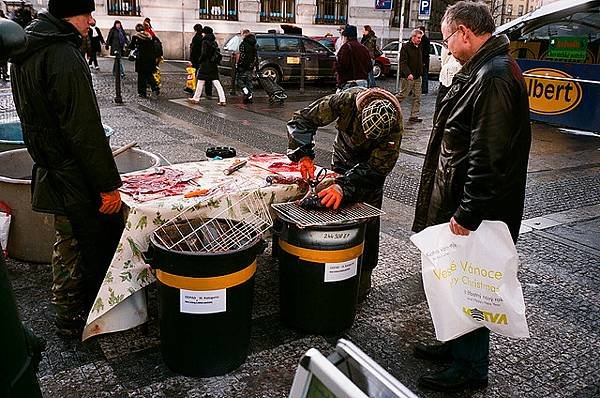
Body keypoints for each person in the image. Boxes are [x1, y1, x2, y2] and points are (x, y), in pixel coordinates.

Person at [411, 1, 531, 392]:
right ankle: (454, 345)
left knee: (471, 282)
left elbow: (489, 153)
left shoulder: (493, 75)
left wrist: (468, 212)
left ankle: (470, 366)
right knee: (455, 281)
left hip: (476, 208)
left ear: (464, 32)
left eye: (447, 39)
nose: (446, 48)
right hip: (460, 198)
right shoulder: (481, 69)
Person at [9, 0, 125, 337]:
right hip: (72, 169)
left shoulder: (29, 46)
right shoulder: (61, 54)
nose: (91, 20)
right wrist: (107, 185)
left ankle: (67, 309)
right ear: (67, 15)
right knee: (82, 240)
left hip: (51, 162)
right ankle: (76, 314)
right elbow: (83, 127)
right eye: (85, 13)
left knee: (66, 239)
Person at [287, 87, 403, 300]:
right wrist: (303, 155)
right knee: (332, 210)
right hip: (343, 157)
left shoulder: (394, 128)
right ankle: (327, 266)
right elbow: (302, 120)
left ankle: (362, 280)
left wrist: (344, 186)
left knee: (368, 222)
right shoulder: (345, 100)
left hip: (370, 172)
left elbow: (377, 168)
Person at [188, 26, 226, 106]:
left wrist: (200, 60)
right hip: (213, 65)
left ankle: (196, 98)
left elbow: (204, 53)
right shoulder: (214, 42)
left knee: (200, 81)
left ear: (205, 33)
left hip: (205, 64)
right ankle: (222, 99)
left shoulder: (205, 41)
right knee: (216, 82)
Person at [397, 28, 424, 123]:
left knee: (417, 97)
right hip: (408, 77)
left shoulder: (419, 47)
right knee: (402, 95)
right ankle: (391, 107)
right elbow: (403, 62)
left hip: (417, 76)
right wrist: (408, 73)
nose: (420, 40)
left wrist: (421, 71)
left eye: (421, 38)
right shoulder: (405, 47)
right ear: (413, 37)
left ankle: (414, 115)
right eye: (418, 38)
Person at [334, 25, 371, 91]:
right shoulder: (364, 48)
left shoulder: (345, 47)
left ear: (346, 37)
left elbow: (342, 65)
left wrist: (336, 67)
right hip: (363, 82)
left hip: (349, 82)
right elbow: (369, 66)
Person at [130, 23, 159, 98]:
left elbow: (131, 46)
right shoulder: (149, 36)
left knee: (141, 76)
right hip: (150, 59)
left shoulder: (136, 37)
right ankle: (155, 86)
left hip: (141, 59)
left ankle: (142, 92)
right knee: (149, 74)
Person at [236, 29, 257, 104]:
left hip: (243, 65)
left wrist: (238, 64)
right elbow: (255, 55)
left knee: (239, 80)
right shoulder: (254, 43)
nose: (241, 36)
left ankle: (246, 92)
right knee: (249, 81)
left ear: (245, 34)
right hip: (250, 65)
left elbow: (242, 55)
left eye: (242, 34)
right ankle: (250, 97)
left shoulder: (243, 44)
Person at [224, 29, 244, 95]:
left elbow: (235, 50)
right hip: (239, 59)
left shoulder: (237, 39)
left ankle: (234, 89)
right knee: (239, 76)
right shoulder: (239, 39)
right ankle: (239, 89)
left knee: (235, 75)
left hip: (237, 59)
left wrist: (236, 63)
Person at [418, 25, 431, 94]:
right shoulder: (424, 39)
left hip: (424, 61)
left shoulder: (425, 40)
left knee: (424, 76)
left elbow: (425, 52)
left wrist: (423, 61)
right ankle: (422, 90)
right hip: (422, 60)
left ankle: (424, 90)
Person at [0, 9, 8, 82]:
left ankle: (4, 73)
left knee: (3, 60)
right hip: (3, 43)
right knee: (3, 60)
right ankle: (4, 73)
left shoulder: (5, 21)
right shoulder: (6, 21)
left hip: (3, 43)